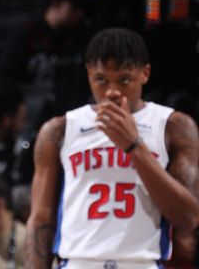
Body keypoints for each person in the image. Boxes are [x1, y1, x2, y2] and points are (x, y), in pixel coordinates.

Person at [25, 27, 199, 268]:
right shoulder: (60, 130)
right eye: (101, 80)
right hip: (78, 262)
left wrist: (133, 146)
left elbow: (189, 218)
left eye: (124, 79)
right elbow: (41, 220)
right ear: (88, 74)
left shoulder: (173, 126)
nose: (112, 91)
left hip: (141, 262)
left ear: (145, 73)